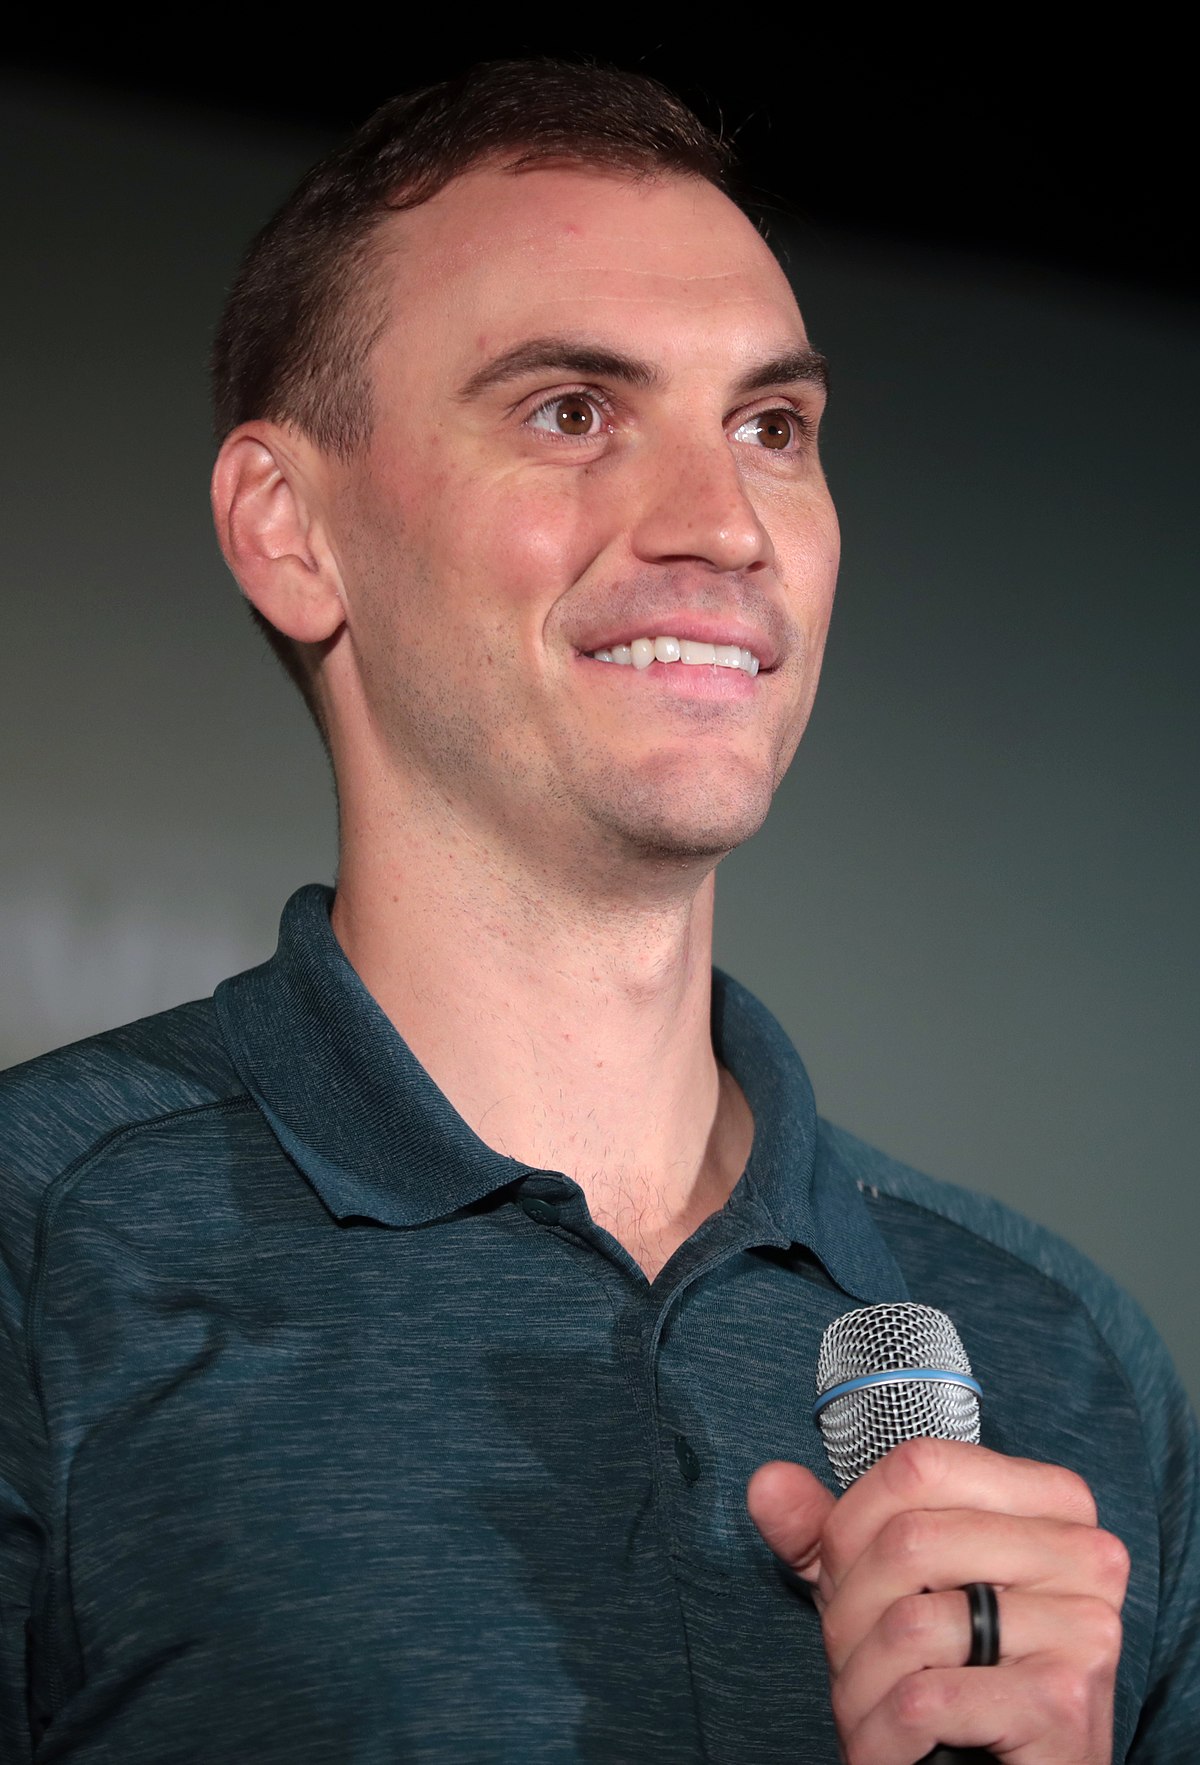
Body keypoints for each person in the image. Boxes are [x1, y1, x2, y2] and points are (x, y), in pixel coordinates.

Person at [0, 60, 1195, 1764]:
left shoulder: (1065, 1358)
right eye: (572, 409)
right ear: (289, 530)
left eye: (772, 428)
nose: (721, 524)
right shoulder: (41, 1252)